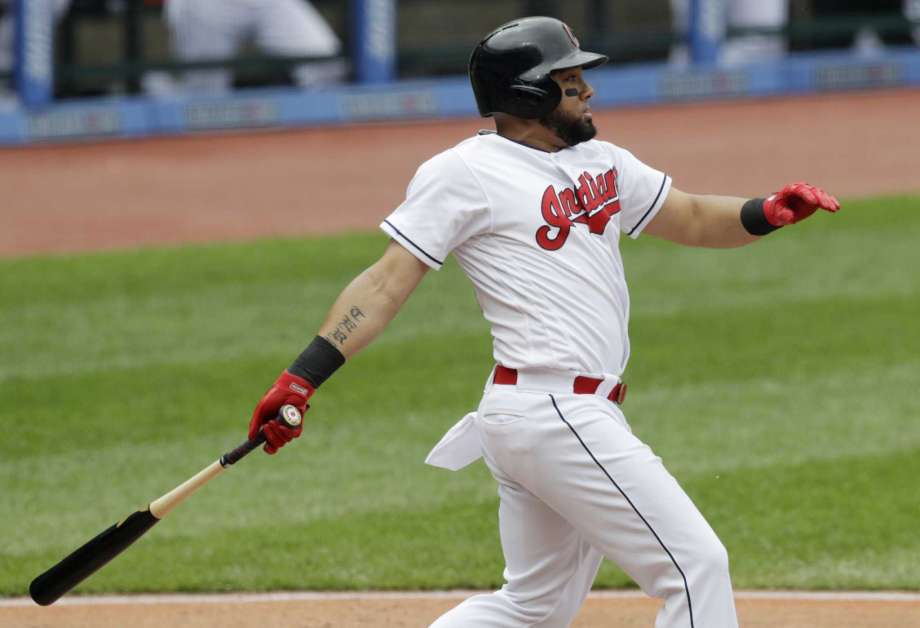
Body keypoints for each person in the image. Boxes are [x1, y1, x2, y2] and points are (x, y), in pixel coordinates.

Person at [247, 16, 840, 628]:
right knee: (695, 569)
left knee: (535, 608)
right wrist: (301, 378)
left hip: (551, 414)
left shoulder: (602, 162)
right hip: (554, 411)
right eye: (571, 79)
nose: (588, 91)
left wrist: (765, 212)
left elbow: (687, 216)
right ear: (528, 93)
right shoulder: (465, 172)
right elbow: (384, 282)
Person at [157, 0, 344, 95]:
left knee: (325, 62)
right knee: (203, 99)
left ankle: (312, 144)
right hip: (206, 5)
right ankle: (154, 89)